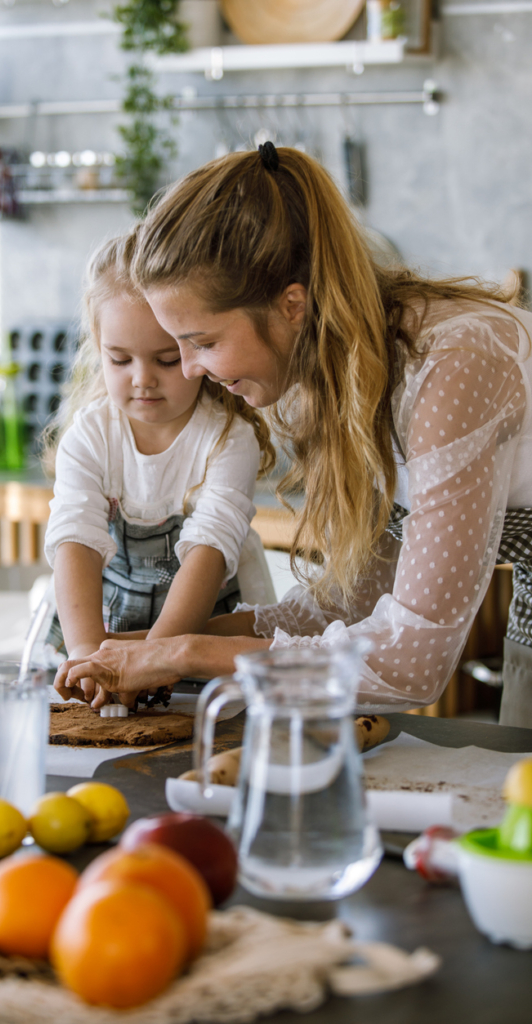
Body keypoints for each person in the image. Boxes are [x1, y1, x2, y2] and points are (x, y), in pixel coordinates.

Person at [60, 144, 532, 724]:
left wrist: (187, 651)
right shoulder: (332, 378)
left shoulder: (451, 366)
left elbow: (413, 662)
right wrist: (149, 649)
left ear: (291, 306)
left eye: (202, 342)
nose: (187, 370)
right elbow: (346, 604)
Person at [45, 230, 276, 705]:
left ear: (197, 348)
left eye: (167, 359)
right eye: (119, 358)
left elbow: (208, 550)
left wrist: (154, 662)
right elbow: (76, 543)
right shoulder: (90, 437)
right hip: (103, 633)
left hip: (204, 644)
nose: (143, 378)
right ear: (98, 347)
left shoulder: (229, 441)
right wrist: (91, 656)